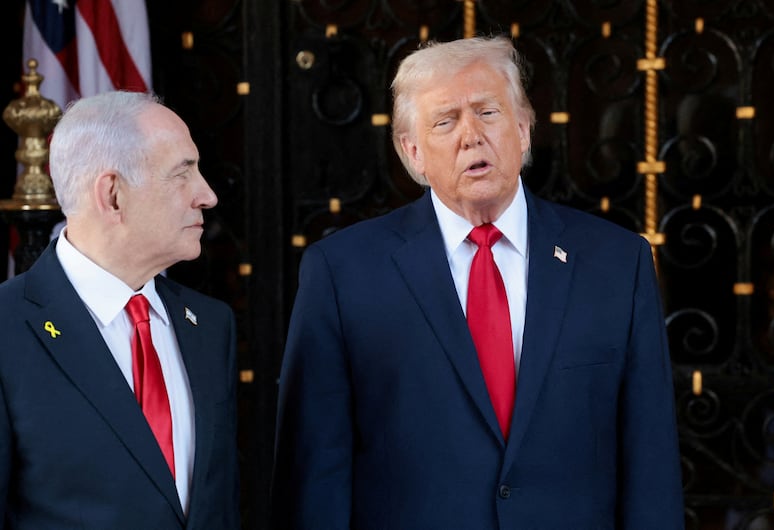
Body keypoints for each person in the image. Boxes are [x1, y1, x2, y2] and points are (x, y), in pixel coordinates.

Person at [270, 36, 684, 529]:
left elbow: (650, 457)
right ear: (413, 151)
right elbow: (316, 474)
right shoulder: (342, 272)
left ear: (524, 129)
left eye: (488, 113)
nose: (471, 136)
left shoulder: (617, 261)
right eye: (446, 121)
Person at [0, 91, 240, 529]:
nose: (207, 195)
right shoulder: (7, 329)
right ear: (112, 195)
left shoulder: (210, 325)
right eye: (182, 174)